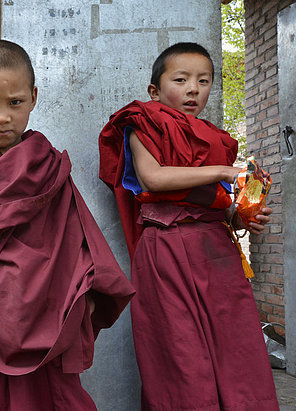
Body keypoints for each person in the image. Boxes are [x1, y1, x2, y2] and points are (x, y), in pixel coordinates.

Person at [0, 39, 135, 410]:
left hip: (44, 321)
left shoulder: (48, 167)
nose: (2, 116)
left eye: (15, 102)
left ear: (34, 97)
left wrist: (80, 300)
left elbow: (78, 243)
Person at [99, 42, 279, 410]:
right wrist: (224, 172)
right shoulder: (142, 125)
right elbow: (154, 179)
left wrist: (241, 215)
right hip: (166, 247)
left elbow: (218, 202)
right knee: (179, 351)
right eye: (181, 80)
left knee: (237, 345)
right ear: (155, 90)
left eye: (204, 80)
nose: (193, 89)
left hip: (215, 249)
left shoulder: (216, 139)